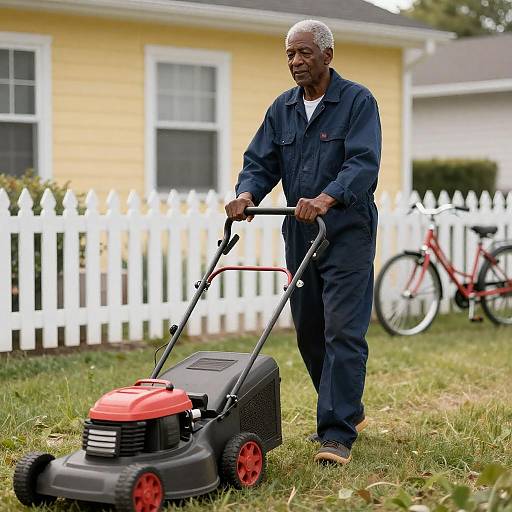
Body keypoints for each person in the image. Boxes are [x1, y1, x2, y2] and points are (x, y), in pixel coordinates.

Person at [225, 19, 381, 465]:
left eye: (304, 52)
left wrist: (328, 197)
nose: (295, 61)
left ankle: (336, 433)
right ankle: (347, 406)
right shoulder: (283, 108)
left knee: (342, 331)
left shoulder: (357, 102)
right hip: (300, 229)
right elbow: (260, 160)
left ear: (327, 56)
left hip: (347, 229)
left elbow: (363, 163)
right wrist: (246, 194)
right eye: (290, 54)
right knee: (309, 330)